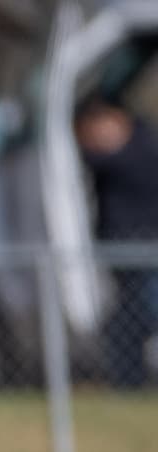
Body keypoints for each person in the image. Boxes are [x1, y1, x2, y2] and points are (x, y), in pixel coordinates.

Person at [73, 96, 158, 388]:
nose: (95, 139)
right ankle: (130, 384)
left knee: (141, 316)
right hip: (128, 257)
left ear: (120, 121)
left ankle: (131, 382)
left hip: (146, 255)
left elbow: (93, 159)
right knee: (126, 324)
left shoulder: (141, 151)